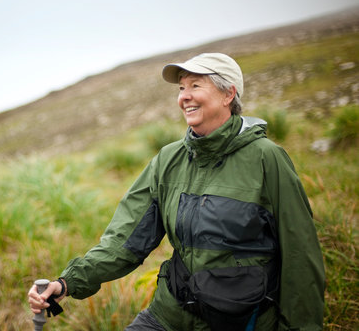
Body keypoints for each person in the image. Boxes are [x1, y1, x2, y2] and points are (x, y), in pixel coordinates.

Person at [28, 53, 325, 330]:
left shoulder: (266, 158)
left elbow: (300, 255)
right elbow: (125, 241)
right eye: (181, 88)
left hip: (242, 318)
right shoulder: (168, 160)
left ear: (228, 94)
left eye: (196, 85)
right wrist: (66, 283)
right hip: (171, 312)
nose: (184, 97)